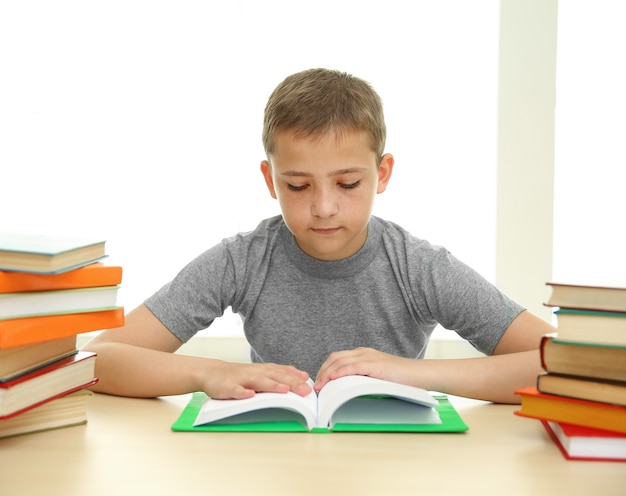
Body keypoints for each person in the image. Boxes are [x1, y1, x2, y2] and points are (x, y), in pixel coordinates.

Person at [83, 68, 555, 404]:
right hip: (276, 463)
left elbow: (561, 361)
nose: (324, 206)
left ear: (382, 173)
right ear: (270, 181)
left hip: (395, 465)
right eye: (298, 185)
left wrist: (410, 375)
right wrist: (208, 371)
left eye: (348, 184)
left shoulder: (419, 267)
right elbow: (98, 358)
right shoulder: (242, 260)